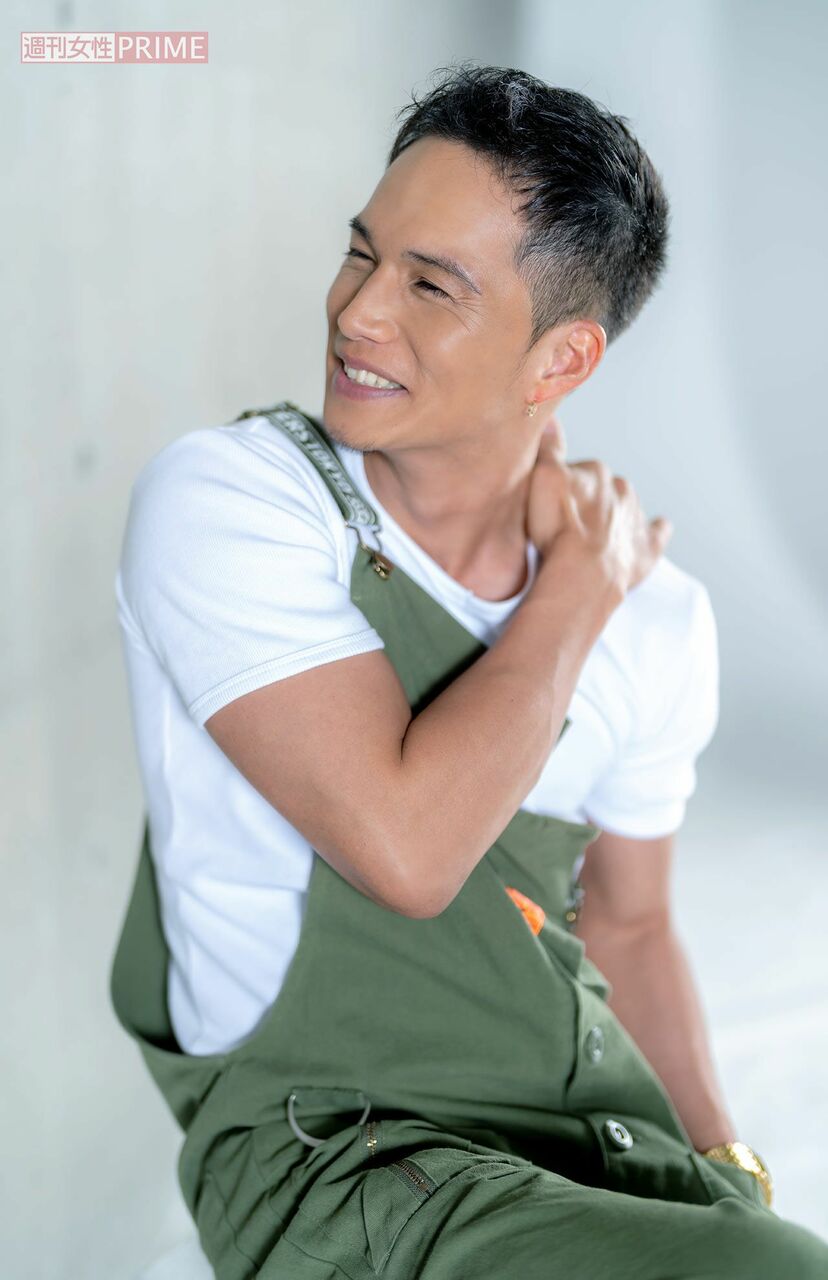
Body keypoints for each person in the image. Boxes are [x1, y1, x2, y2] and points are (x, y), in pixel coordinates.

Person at [110, 63, 828, 1278]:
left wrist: (725, 1173)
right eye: (362, 253)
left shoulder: (662, 622)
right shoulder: (238, 502)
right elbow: (406, 848)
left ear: (561, 361)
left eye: (430, 285)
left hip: (589, 1149)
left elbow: (632, 921)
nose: (358, 311)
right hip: (341, 1161)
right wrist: (575, 592)